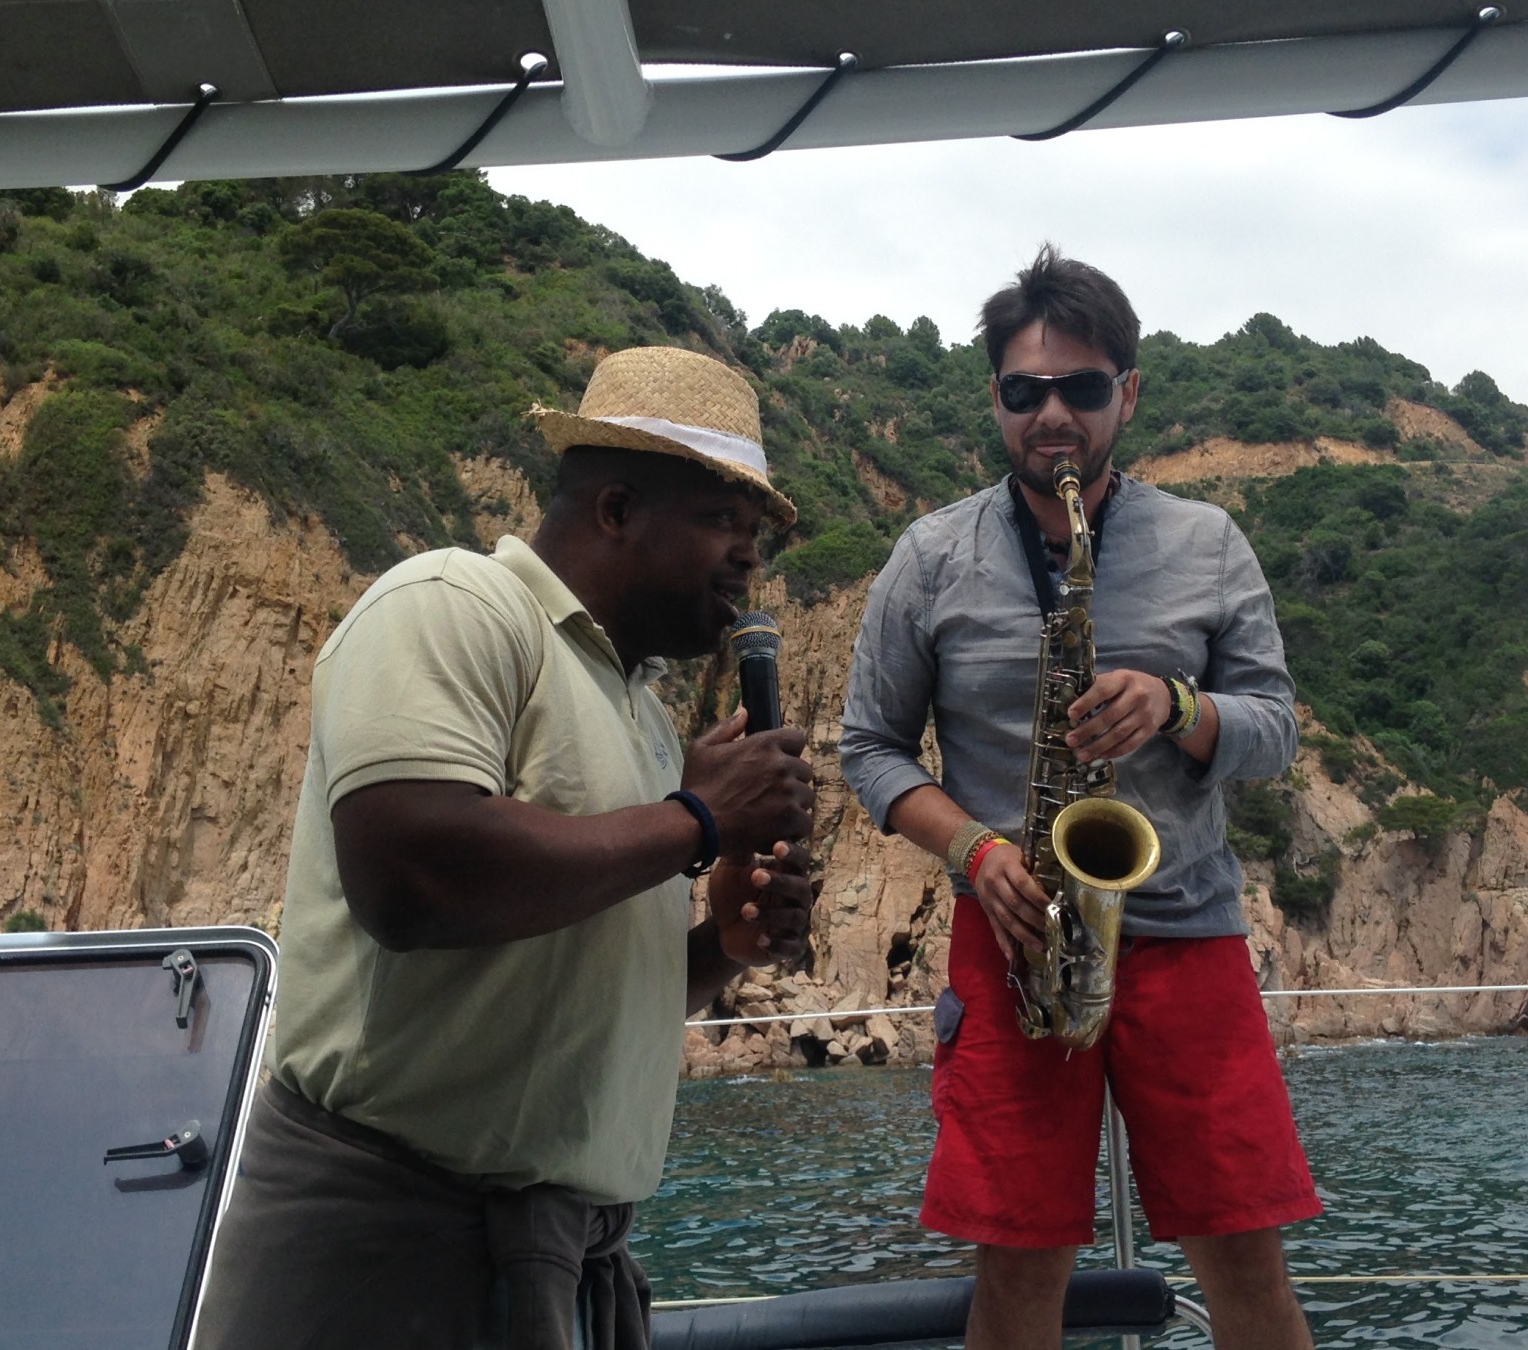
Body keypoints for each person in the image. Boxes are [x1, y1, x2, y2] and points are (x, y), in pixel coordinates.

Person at [196, 346, 819, 1350]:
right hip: (385, 1247)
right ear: (615, 509)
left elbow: (589, 991)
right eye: (720, 523)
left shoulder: (643, 716)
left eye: (755, 536)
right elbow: (412, 875)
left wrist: (720, 950)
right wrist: (698, 820)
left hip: (564, 1265)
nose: (747, 559)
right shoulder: (453, 605)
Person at [839, 247, 1320, 1349]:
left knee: (1245, 1259)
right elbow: (869, 750)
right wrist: (971, 850)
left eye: (1082, 388)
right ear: (996, 399)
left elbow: (1276, 731)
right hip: (1014, 935)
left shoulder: (1208, 541)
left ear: (1128, 393)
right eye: (1025, 391)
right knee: (1015, 1272)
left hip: (1187, 932)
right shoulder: (930, 556)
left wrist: (1176, 705)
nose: (1052, 414)